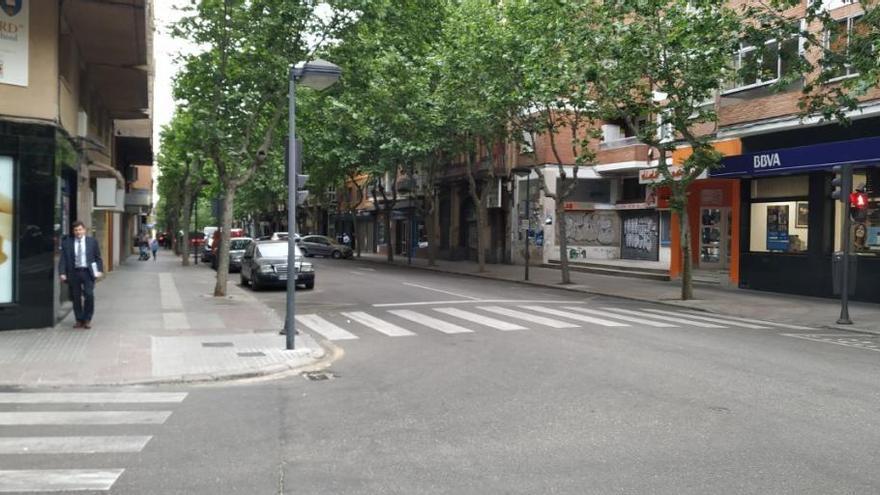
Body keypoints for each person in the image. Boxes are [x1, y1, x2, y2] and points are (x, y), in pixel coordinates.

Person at [58, 221, 103, 329]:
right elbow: (63, 259)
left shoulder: (92, 242)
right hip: (74, 273)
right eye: (76, 230)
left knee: (89, 295)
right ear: (73, 232)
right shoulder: (67, 243)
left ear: (84, 230)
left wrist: (99, 270)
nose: (78, 232)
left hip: (88, 272)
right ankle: (79, 319)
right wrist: (62, 273)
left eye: (80, 229)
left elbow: (98, 258)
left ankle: (87, 319)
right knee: (76, 297)